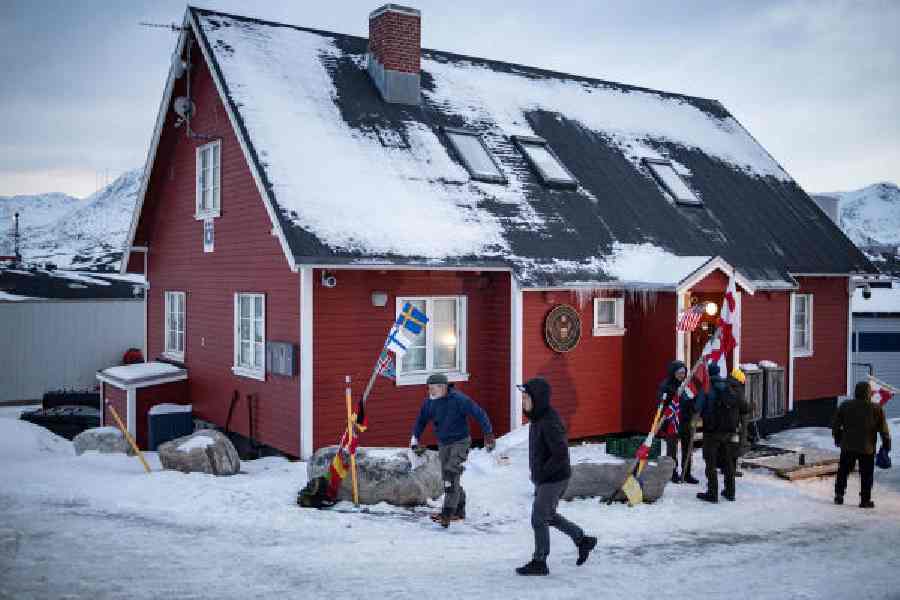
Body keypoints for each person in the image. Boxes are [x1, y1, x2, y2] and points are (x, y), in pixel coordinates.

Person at [515, 377, 597, 576]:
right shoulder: (538, 417)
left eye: (526, 397)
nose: (523, 401)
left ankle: (539, 561)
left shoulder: (550, 421)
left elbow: (560, 454)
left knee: (539, 518)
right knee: (548, 516)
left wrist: (542, 473)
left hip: (554, 478)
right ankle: (582, 540)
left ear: (539, 399)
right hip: (546, 477)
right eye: (523, 397)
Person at [410, 373, 495, 527]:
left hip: (461, 442)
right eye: (429, 389)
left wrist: (488, 434)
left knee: (450, 473)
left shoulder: (459, 399)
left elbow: (478, 413)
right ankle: (459, 510)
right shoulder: (430, 402)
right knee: (449, 479)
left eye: (433, 389)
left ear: (443, 387)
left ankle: (447, 514)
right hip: (443, 443)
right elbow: (421, 420)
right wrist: (415, 439)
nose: (431, 392)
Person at [832, 381, 892, 508]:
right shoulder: (876, 409)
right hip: (867, 448)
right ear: (869, 393)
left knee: (843, 471)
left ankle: (839, 495)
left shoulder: (845, 405)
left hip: (848, 446)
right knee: (866, 475)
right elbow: (884, 430)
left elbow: (836, 424)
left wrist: (838, 437)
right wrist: (886, 444)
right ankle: (865, 500)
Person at [697, 362, 739, 503]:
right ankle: (730, 491)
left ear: (708, 373)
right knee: (728, 462)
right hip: (728, 431)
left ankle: (712, 493)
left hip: (712, 431)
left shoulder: (707, 388)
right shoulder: (728, 386)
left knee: (711, 462)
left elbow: (698, 406)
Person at [656, 360, 688, 483]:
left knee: (686, 447)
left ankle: (686, 472)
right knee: (672, 449)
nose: (682, 375)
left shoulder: (685, 384)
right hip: (671, 421)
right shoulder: (666, 385)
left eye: (684, 373)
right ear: (673, 373)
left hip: (684, 419)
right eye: (679, 373)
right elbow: (661, 402)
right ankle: (672, 472)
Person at [726, 368, 751, 480]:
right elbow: (744, 407)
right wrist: (751, 407)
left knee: (727, 445)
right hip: (737, 423)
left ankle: (725, 467)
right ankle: (732, 469)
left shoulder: (727, 387)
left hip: (728, 421)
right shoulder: (738, 390)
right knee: (735, 446)